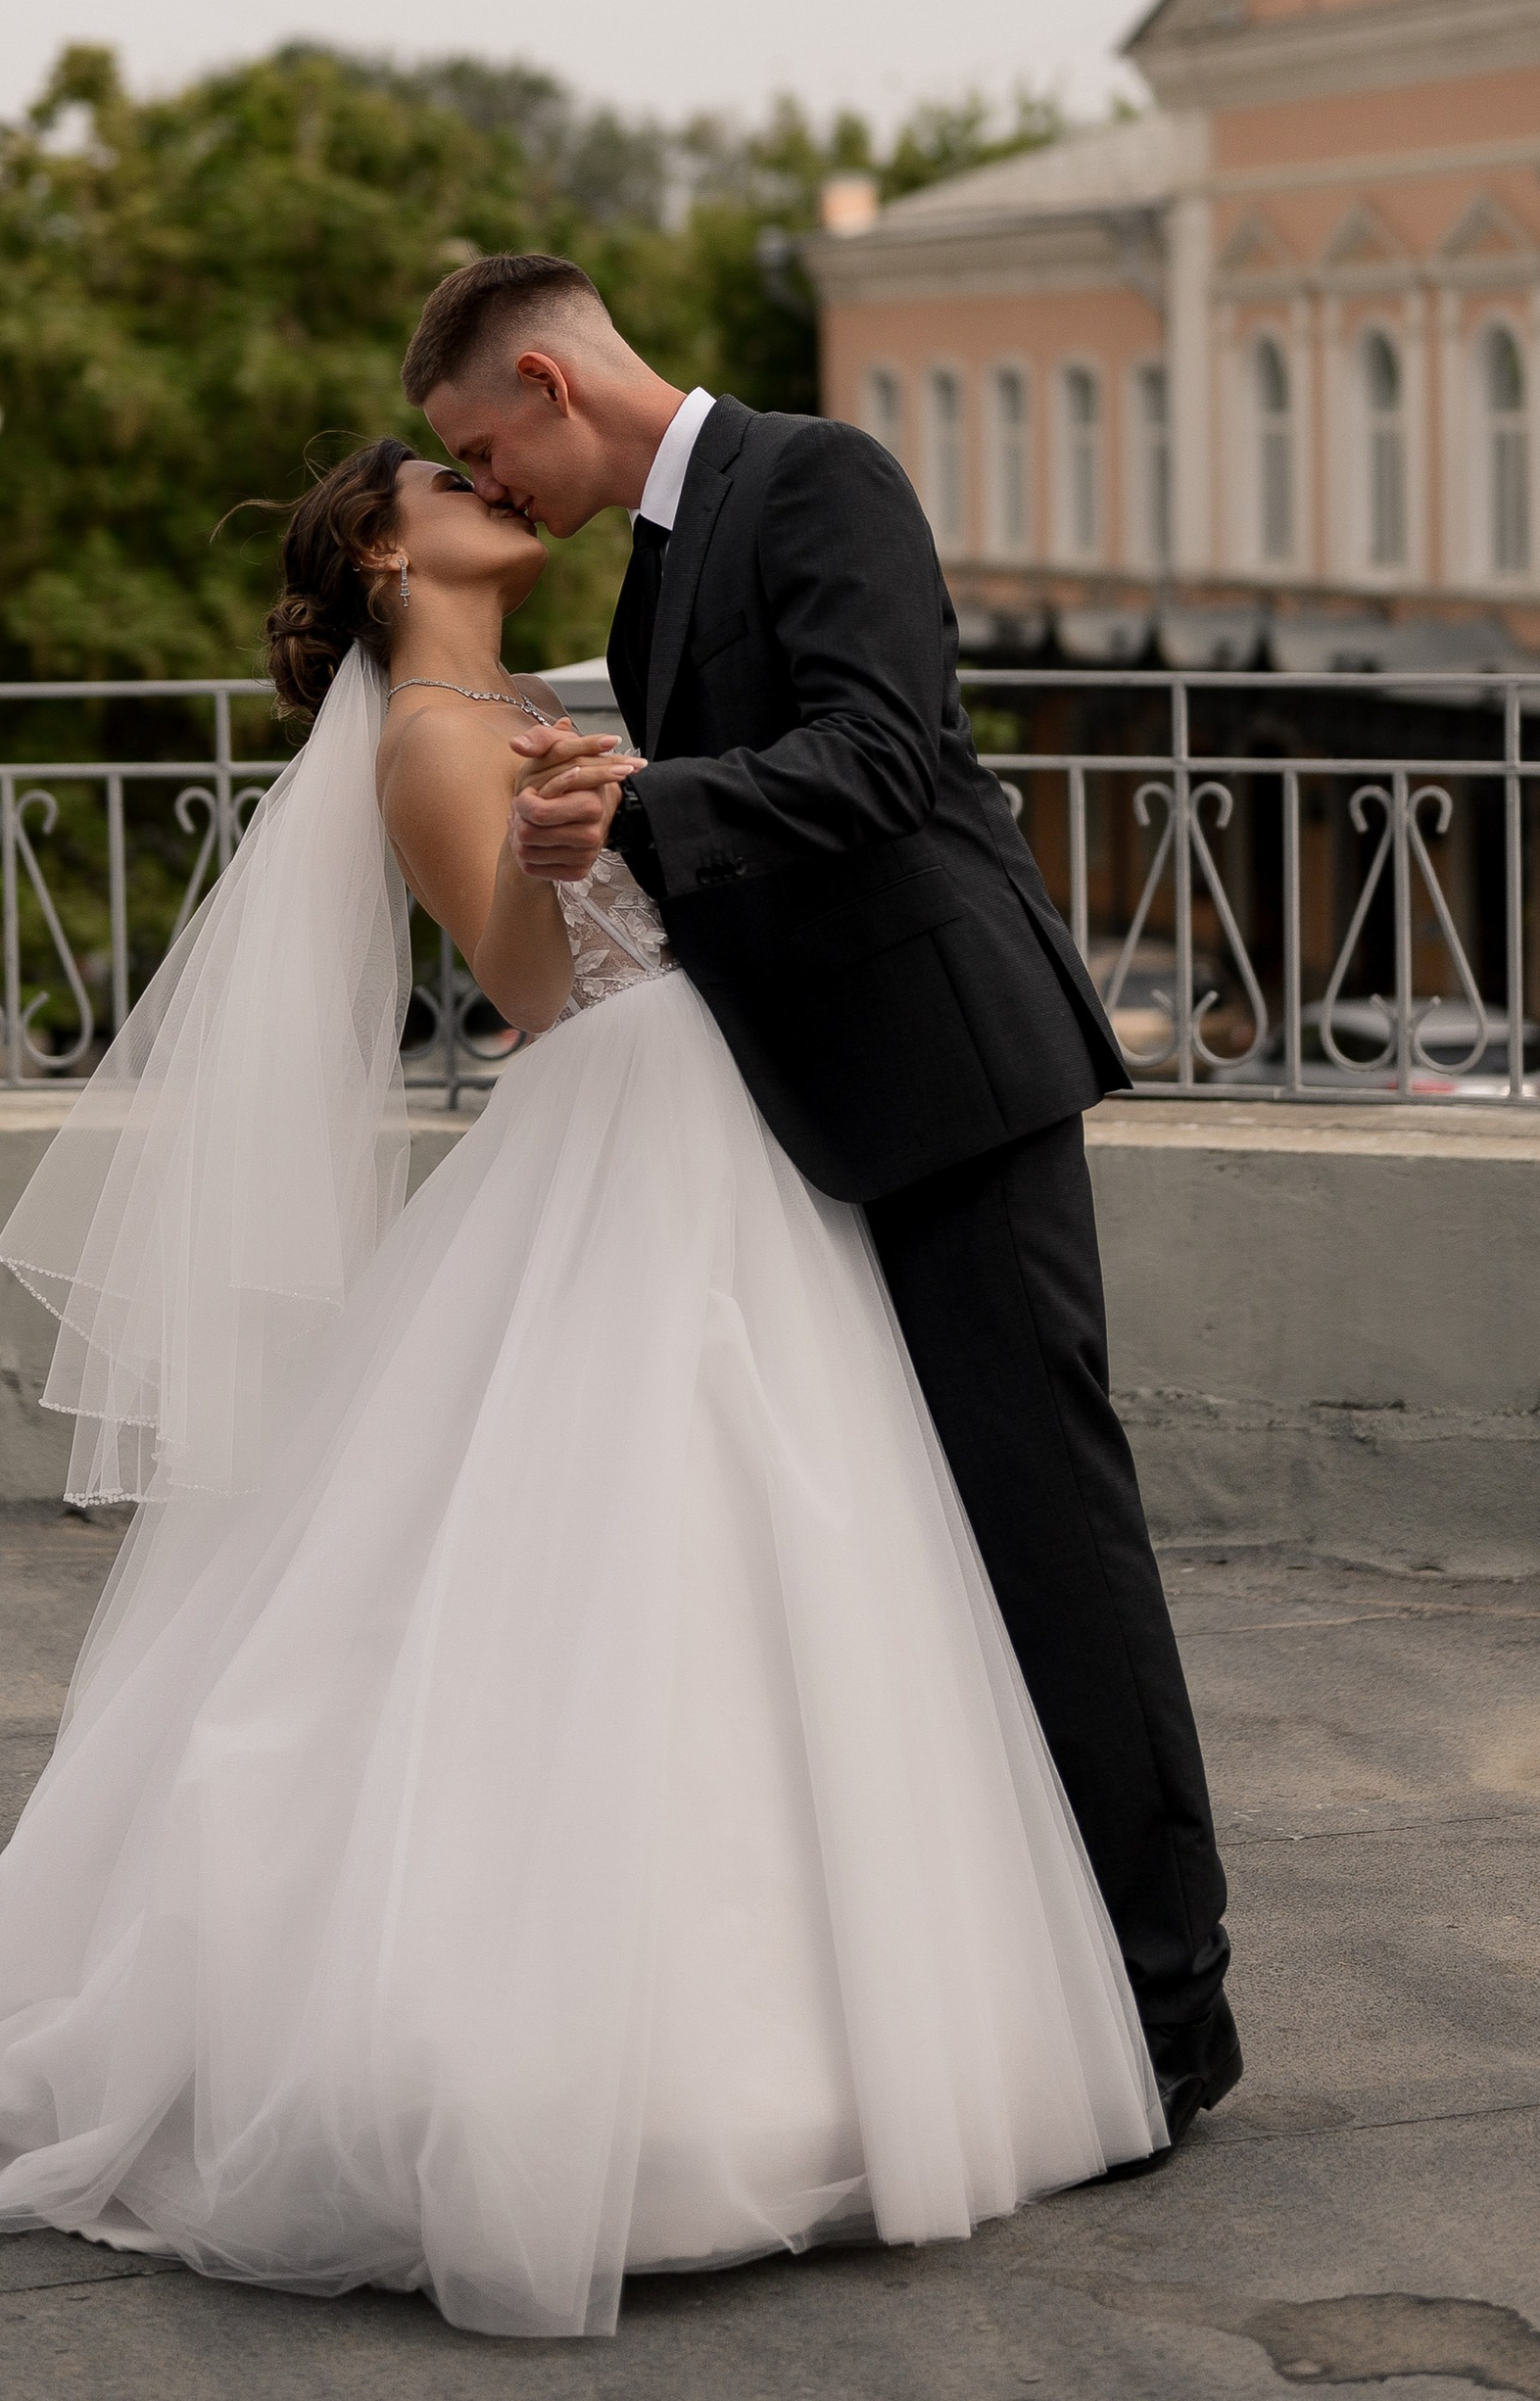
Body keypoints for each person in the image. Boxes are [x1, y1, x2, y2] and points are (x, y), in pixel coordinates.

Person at [0, 438, 1164, 2339]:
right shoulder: (432, 731)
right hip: (635, 1110)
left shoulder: (528, 694)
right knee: (621, 1559)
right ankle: (596, 2073)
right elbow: (540, 980)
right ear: (383, 541)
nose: (497, 488)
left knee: (770, 1551)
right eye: (450, 473)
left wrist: (646, 802)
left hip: (717, 1122)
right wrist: (622, 840)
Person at [404, 252, 1237, 2143]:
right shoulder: (655, 558)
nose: (487, 488)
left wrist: (642, 806)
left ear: (545, 379)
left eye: (480, 447)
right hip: (826, 1110)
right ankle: (1050, 1985)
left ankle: (1177, 2013)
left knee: (1054, 1543)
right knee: (942, 1566)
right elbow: (737, 815)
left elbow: (883, 754)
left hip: (955, 1088)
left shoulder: (817, 475)